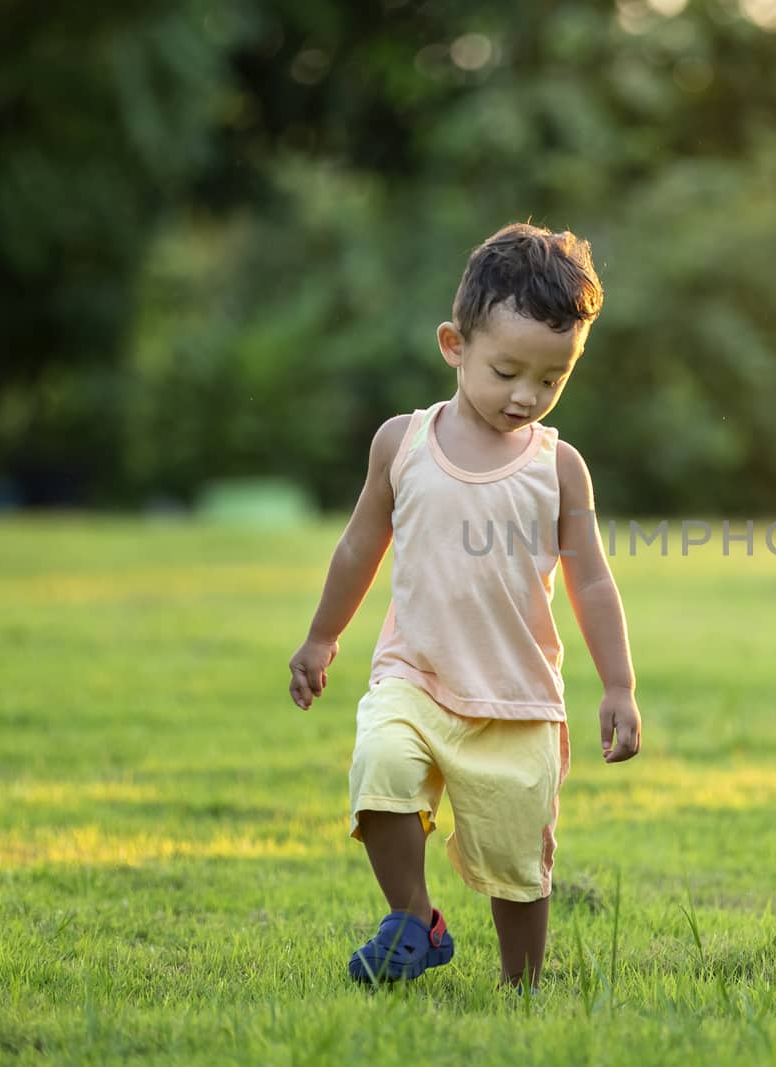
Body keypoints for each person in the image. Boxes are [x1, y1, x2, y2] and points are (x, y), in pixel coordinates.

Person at [287, 222, 642, 990]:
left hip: (517, 698)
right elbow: (358, 547)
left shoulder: (560, 468)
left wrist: (618, 685)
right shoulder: (402, 443)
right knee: (380, 771)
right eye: (507, 370)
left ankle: (522, 988)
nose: (527, 396)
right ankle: (415, 917)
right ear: (455, 344)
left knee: (519, 866)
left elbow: (592, 581)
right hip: (413, 674)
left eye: (552, 380)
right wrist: (322, 637)